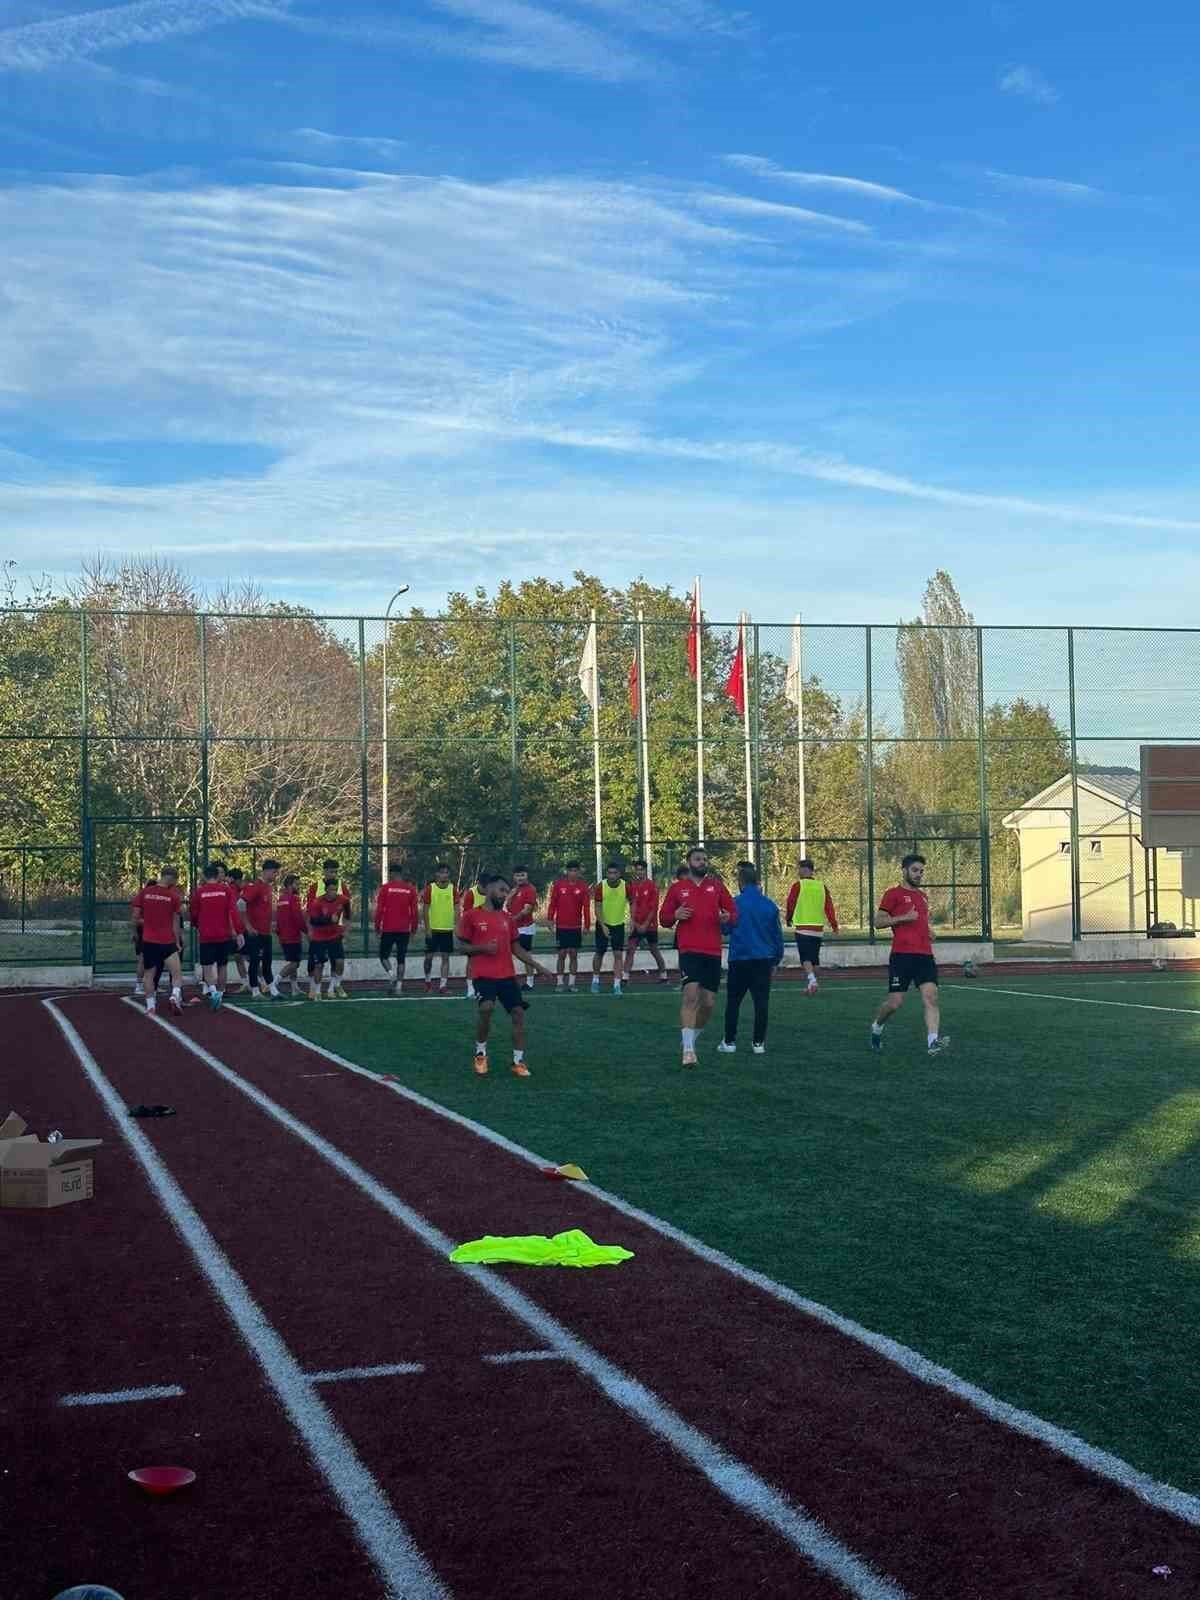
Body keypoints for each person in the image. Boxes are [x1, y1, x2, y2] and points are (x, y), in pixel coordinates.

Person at [457, 873, 552, 1076]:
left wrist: (538, 966)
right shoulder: (471, 916)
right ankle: (480, 1054)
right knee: (486, 1008)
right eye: (501, 890)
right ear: (490, 889)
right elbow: (462, 947)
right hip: (483, 975)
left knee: (518, 1013)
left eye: (506, 892)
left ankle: (518, 1061)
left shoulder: (507, 918)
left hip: (506, 976)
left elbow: (516, 949)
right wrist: (482, 948)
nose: (504, 895)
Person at [659, 846, 737, 1066]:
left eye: (704, 859)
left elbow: (733, 913)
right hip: (689, 949)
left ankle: (690, 1039)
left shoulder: (717, 887)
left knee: (709, 1003)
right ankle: (689, 1052)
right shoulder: (677, 889)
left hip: (712, 950)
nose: (702, 862)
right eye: (697, 859)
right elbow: (663, 918)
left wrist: (727, 916)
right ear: (689, 862)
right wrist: (675, 915)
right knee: (690, 996)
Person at [870, 852, 950, 1056]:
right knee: (894, 1003)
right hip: (902, 956)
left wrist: (928, 930)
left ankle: (933, 1042)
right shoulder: (892, 894)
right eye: (915, 870)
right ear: (904, 870)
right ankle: (877, 1026)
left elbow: (920, 921)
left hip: (925, 955)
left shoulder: (923, 896)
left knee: (931, 998)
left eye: (921, 871)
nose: (918, 874)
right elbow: (878, 922)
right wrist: (903, 917)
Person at [718, 862, 783, 1055]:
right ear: (758, 882)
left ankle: (729, 1042)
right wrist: (776, 960)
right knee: (761, 1003)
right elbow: (777, 936)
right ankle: (758, 1043)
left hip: (739, 959)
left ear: (740, 882)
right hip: (763, 960)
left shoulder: (735, 903)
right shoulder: (770, 905)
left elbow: (725, 929)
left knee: (733, 1002)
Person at [189, 862, 244, 1010]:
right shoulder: (226, 891)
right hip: (223, 934)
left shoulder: (199, 892)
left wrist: (197, 924)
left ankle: (213, 992)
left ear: (205, 876)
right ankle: (219, 994)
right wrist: (238, 932)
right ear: (216, 875)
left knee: (207, 966)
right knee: (222, 965)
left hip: (206, 935)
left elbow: (193, 913)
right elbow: (233, 913)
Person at [134, 865, 185, 1016]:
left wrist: (148, 922)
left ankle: (150, 1006)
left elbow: (135, 917)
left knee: (149, 975)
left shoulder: (145, 893)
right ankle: (175, 995)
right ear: (172, 878)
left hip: (149, 940)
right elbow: (176, 922)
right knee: (176, 974)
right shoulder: (173, 896)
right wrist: (177, 942)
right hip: (167, 941)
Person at [784, 858, 840, 995]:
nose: (798, 871)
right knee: (815, 960)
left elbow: (790, 903)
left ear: (805, 869)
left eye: (800, 868)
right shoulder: (822, 886)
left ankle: (812, 981)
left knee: (805, 958)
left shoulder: (798, 886)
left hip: (803, 927)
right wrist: (834, 924)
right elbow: (829, 907)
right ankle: (812, 985)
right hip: (818, 928)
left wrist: (788, 918)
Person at [374, 860, 420, 995]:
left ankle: (391, 974)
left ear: (392, 873)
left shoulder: (385, 888)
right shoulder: (410, 889)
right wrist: (414, 929)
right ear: (401, 873)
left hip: (388, 928)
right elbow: (415, 912)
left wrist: (377, 927)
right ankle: (399, 986)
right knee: (401, 958)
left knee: (383, 956)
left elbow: (379, 910)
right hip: (404, 929)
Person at [306, 870, 352, 999]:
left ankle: (334, 986)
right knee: (319, 964)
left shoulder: (343, 900)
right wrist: (328, 919)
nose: (333, 893)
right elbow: (313, 921)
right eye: (330, 890)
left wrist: (346, 930)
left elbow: (348, 914)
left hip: (334, 936)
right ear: (326, 890)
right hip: (319, 937)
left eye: (335, 890)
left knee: (339, 962)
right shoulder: (317, 902)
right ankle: (318, 991)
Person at [546, 861, 591, 991]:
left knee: (573, 954)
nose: (573, 873)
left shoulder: (583, 887)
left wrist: (587, 925)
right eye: (570, 870)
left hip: (575, 927)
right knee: (561, 953)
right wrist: (550, 919)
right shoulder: (559, 885)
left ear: (579, 872)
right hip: (561, 926)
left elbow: (586, 907)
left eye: (575, 870)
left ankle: (572, 983)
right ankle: (559, 982)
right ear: (566, 871)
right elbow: (552, 903)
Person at [241, 859, 282, 999]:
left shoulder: (268, 887)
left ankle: (273, 991)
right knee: (254, 961)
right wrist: (248, 926)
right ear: (267, 871)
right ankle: (255, 991)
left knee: (267, 962)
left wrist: (272, 922)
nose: (276, 876)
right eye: (275, 872)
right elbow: (240, 904)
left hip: (265, 932)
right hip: (255, 933)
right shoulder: (255, 886)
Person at [624, 858, 669, 984]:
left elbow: (653, 908)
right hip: (637, 924)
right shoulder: (632, 885)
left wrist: (645, 924)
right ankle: (625, 978)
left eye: (641, 870)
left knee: (654, 950)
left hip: (650, 925)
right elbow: (632, 904)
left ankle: (664, 976)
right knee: (630, 949)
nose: (639, 872)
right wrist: (633, 921)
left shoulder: (652, 886)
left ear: (645, 871)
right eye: (637, 870)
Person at [591, 861, 627, 994]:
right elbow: (598, 907)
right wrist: (603, 925)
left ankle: (616, 985)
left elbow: (633, 903)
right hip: (603, 924)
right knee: (600, 952)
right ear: (607, 874)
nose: (612, 876)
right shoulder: (601, 886)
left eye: (615, 873)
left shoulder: (625, 886)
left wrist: (632, 920)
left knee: (618, 954)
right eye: (610, 873)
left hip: (618, 924)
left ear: (619, 874)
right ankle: (595, 981)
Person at [422, 864, 459, 993]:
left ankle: (443, 986)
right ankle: (427, 983)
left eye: (446, 872)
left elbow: (457, 907)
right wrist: (427, 929)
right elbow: (425, 910)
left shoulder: (452, 889)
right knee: (428, 958)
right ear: (437, 874)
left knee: (445, 958)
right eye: (442, 872)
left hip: (447, 930)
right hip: (433, 930)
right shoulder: (430, 888)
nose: (444, 875)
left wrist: (456, 925)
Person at [505, 866, 540, 990]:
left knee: (525, 955)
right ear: (514, 877)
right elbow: (507, 906)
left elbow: (527, 910)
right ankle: (508, 980)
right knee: (507, 954)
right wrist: (509, 897)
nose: (520, 878)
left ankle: (530, 982)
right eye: (518, 875)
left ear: (527, 876)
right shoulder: (514, 890)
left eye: (522, 875)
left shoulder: (530, 889)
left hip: (525, 928)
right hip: (514, 928)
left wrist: (511, 921)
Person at [275, 873, 308, 996]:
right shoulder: (294, 898)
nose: (298, 887)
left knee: (294, 962)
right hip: (293, 935)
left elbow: (278, 918)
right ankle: (274, 983)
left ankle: (294, 988)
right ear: (289, 885)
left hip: (284, 935)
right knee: (294, 963)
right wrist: (306, 931)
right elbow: (298, 917)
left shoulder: (281, 899)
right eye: (296, 884)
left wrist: (279, 932)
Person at [459, 874, 490, 998]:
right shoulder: (471, 894)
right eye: (483, 886)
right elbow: (466, 915)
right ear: (478, 883)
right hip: (473, 932)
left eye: (487, 886)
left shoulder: (492, 893)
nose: (485, 889)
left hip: (488, 931)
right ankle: (470, 988)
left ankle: (484, 988)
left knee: (487, 961)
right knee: (472, 960)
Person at [222, 867, 251, 995]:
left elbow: (233, 910)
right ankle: (246, 983)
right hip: (238, 928)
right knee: (240, 956)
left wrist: (235, 929)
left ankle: (261, 981)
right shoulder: (235, 889)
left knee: (247, 956)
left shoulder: (233, 890)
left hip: (239, 929)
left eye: (227, 876)